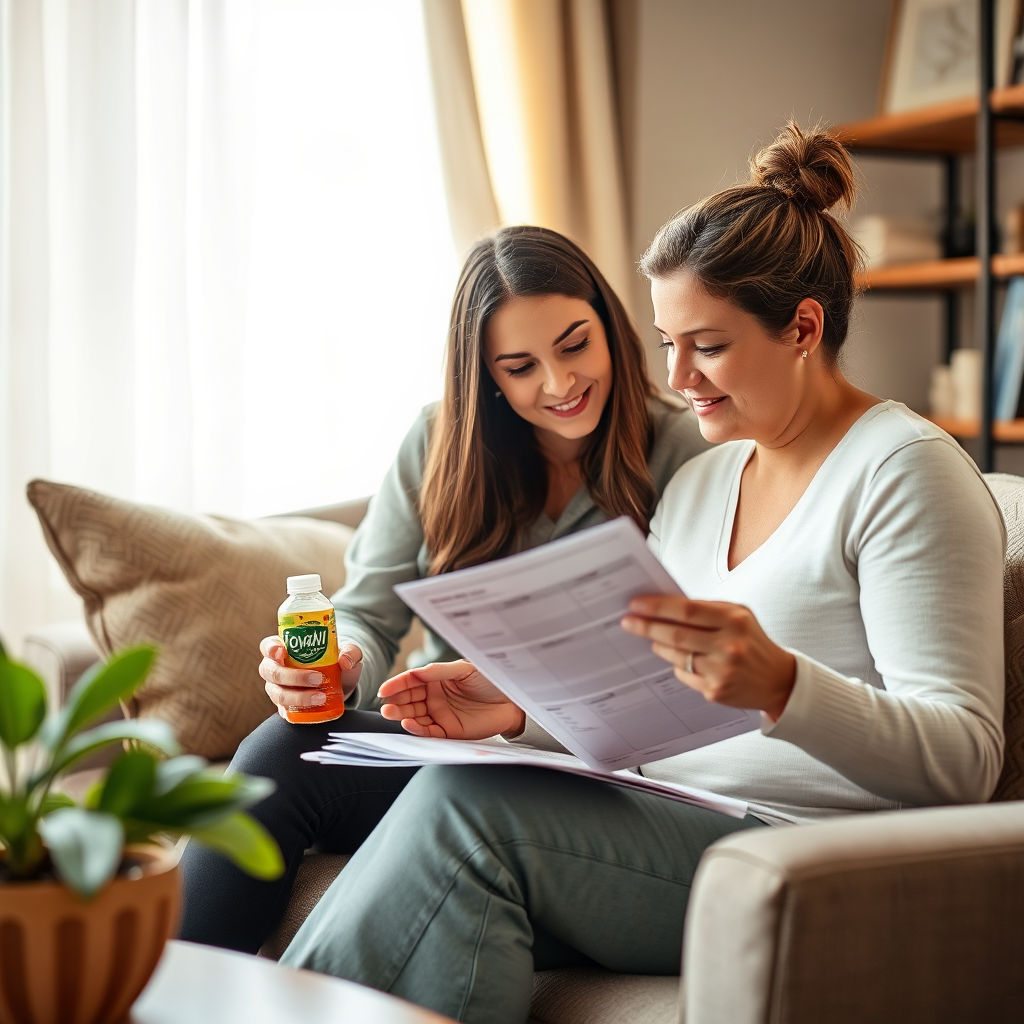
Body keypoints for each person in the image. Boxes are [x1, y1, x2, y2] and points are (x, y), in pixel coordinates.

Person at [276, 124, 1006, 1024]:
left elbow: (966, 760)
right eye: (666, 343)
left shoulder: (902, 471)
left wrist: (782, 685)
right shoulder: (700, 484)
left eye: (708, 346)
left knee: (469, 811)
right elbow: (648, 711)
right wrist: (519, 712)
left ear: (803, 328)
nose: (678, 376)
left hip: (802, 853)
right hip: (666, 812)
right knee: (445, 818)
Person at [178, 225, 709, 951]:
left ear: (611, 328)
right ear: (486, 373)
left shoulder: (685, 451)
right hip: (453, 745)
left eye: (575, 345)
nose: (559, 384)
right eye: (520, 366)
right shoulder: (437, 443)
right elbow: (366, 612)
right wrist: (344, 663)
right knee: (283, 749)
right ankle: (171, 989)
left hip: (594, 772)